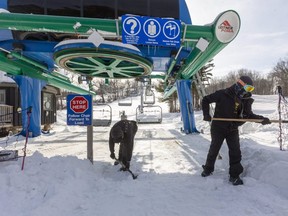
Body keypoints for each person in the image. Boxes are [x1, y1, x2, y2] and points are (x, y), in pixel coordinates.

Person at [201, 75, 271, 185]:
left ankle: (234, 176)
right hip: (218, 127)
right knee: (214, 149)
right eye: (248, 88)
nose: (248, 91)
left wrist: (261, 119)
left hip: (232, 128)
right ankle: (208, 169)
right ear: (240, 84)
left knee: (235, 151)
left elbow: (248, 115)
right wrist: (206, 114)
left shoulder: (245, 99)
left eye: (251, 89)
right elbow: (205, 100)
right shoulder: (223, 94)